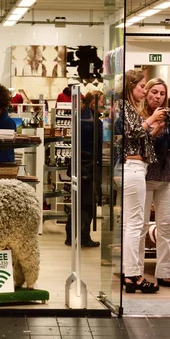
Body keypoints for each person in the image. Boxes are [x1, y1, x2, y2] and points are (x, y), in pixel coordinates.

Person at [117, 70, 168, 294]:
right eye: (142, 86)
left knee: (133, 224)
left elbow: (140, 138)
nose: (145, 91)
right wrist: (151, 120)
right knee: (135, 224)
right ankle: (134, 275)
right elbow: (133, 132)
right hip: (133, 168)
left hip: (136, 167)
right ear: (131, 86)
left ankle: (131, 275)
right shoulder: (125, 108)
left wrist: (156, 128)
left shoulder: (129, 109)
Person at [141, 78, 170, 288]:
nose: (158, 97)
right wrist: (159, 133)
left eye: (162, 94)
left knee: (165, 225)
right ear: (146, 92)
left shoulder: (169, 115)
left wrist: (159, 136)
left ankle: (165, 272)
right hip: (144, 176)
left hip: (166, 177)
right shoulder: (140, 115)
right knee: (140, 226)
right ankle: (135, 271)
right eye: (154, 92)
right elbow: (140, 141)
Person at [65, 91, 104, 248]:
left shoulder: (82, 117)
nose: (105, 104)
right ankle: (83, 235)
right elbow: (98, 145)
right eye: (103, 101)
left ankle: (72, 234)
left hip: (80, 163)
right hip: (88, 165)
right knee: (88, 202)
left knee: (79, 200)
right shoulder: (93, 122)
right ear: (94, 103)